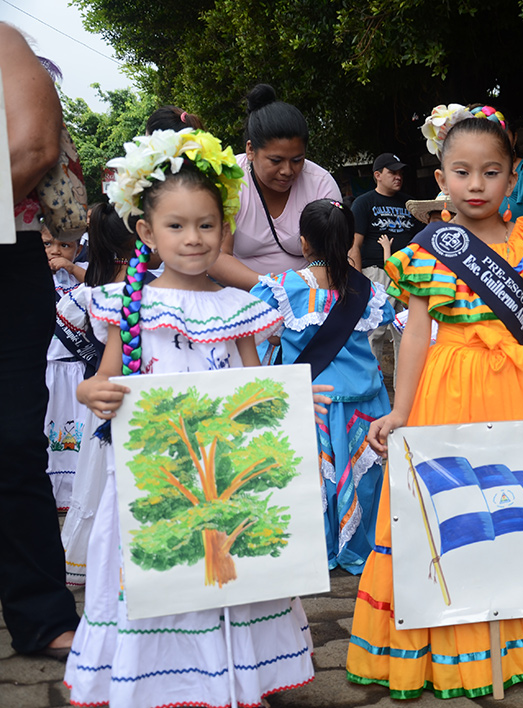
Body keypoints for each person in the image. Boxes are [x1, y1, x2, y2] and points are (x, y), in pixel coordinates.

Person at [346, 107, 523, 698]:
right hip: (447, 389)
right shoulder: (426, 249)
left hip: (518, 388)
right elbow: (415, 334)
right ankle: (451, 648)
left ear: (512, 176)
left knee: (520, 504)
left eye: (491, 172)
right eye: (462, 171)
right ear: (441, 177)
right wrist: (400, 411)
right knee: (450, 511)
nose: (476, 184)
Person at [64, 129, 316, 706]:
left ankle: (234, 679)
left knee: (231, 569)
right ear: (146, 232)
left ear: (224, 230)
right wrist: (89, 394)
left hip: (229, 480)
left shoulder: (240, 306)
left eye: (206, 225)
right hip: (154, 483)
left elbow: (258, 386)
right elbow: (102, 380)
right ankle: (165, 679)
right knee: (163, 573)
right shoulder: (129, 303)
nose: (194, 238)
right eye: (176, 226)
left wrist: (293, 403)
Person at [252, 199, 393, 575]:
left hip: (313, 401)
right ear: (350, 243)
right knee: (364, 479)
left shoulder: (283, 289)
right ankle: (363, 548)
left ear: (303, 243)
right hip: (366, 402)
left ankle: (320, 548)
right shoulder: (370, 292)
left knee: (316, 477)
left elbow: (255, 337)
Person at [0, 22, 80, 659]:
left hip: (7, 256)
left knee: (12, 439)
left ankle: (40, 612)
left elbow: (33, 147)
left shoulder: (2, 39)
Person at [59, 202, 143, 588]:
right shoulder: (146, 284)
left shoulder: (95, 290)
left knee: (101, 481)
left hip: (106, 396)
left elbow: (64, 315)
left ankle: (99, 561)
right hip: (136, 396)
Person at [211, 84, 341, 289]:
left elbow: (334, 257)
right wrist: (273, 288)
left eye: (297, 160)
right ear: (251, 150)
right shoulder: (228, 180)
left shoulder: (321, 184)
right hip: (243, 299)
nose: (287, 171)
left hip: (308, 298)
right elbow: (215, 257)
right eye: (276, 160)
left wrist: (294, 291)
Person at [352, 152, 420, 379]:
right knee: (375, 330)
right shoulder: (364, 202)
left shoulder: (410, 203)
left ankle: (404, 395)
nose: (398, 177)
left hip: (408, 274)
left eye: (400, 172)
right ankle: (370, 387)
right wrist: (357, 280)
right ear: (378, 175)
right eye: (392, 172)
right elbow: (354, 245)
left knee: (406, 331)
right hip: (376, 274)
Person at [43, 221, 90, 512]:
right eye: (48, 244)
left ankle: (74, 492)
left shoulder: (79, 277)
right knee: (50, 425)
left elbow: (98, 286)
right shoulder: (34, 277)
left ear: (79, 247)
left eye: (65, 245)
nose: (55, 251)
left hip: (74, 367)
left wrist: (72, 269)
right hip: (48, 366)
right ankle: (50, 490)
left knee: (75, 425)